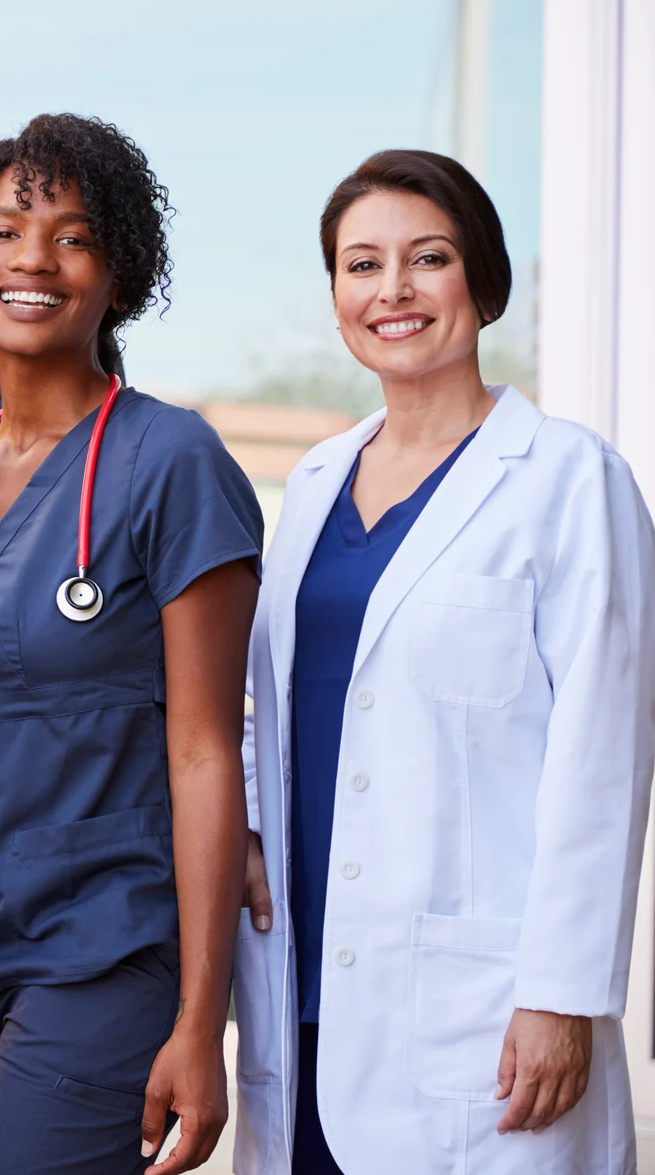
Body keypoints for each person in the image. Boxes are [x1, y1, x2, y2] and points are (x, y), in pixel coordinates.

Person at [230, 151, 655, 1175]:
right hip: (306, 980)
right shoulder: (319, 478)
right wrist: (244, 826)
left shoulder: (567, 478)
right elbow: (268, 702)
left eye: (429, 258)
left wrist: (562, 991)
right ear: (335, 292)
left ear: (484, 281)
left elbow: (605, 754)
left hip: (485, 1003)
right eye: (361, 264)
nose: (394, 291)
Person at [0, 114, 261, 1175]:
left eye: (74, 237)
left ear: (118, 277)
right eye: (2, 231)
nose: (32, 258)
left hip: (105, 954)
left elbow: (206, 751)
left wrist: (200, 1017)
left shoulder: (172, 462)